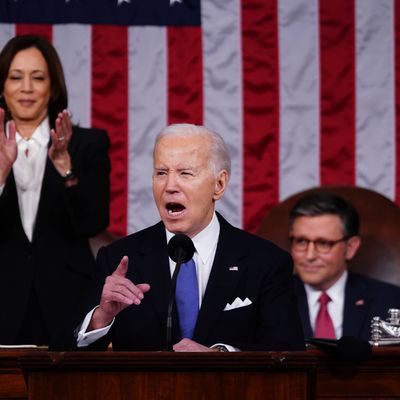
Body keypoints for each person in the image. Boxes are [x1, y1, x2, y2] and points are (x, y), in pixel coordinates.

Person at [53, 123, 305, 352]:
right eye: (161, 173)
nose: (170, 185)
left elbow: (288, 355)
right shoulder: (119, 260)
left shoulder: (266, 263)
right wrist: (101, 317)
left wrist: (221, 357)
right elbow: (63, 356)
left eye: (185, 173)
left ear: (219, 185)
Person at [0, 35, 110, 345]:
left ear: (54, 86)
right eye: (15, 77)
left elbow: (94, 222)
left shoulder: (88, 143)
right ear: (2, 85)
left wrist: (66, 168)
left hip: (67, 299)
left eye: (38, 77)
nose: (26, 87)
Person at [289, 191, 400, 342]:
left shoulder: (391, 300)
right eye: (301, 241)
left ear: (350, 247)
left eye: (323, 243)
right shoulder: (270, 300)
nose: (309, 256)